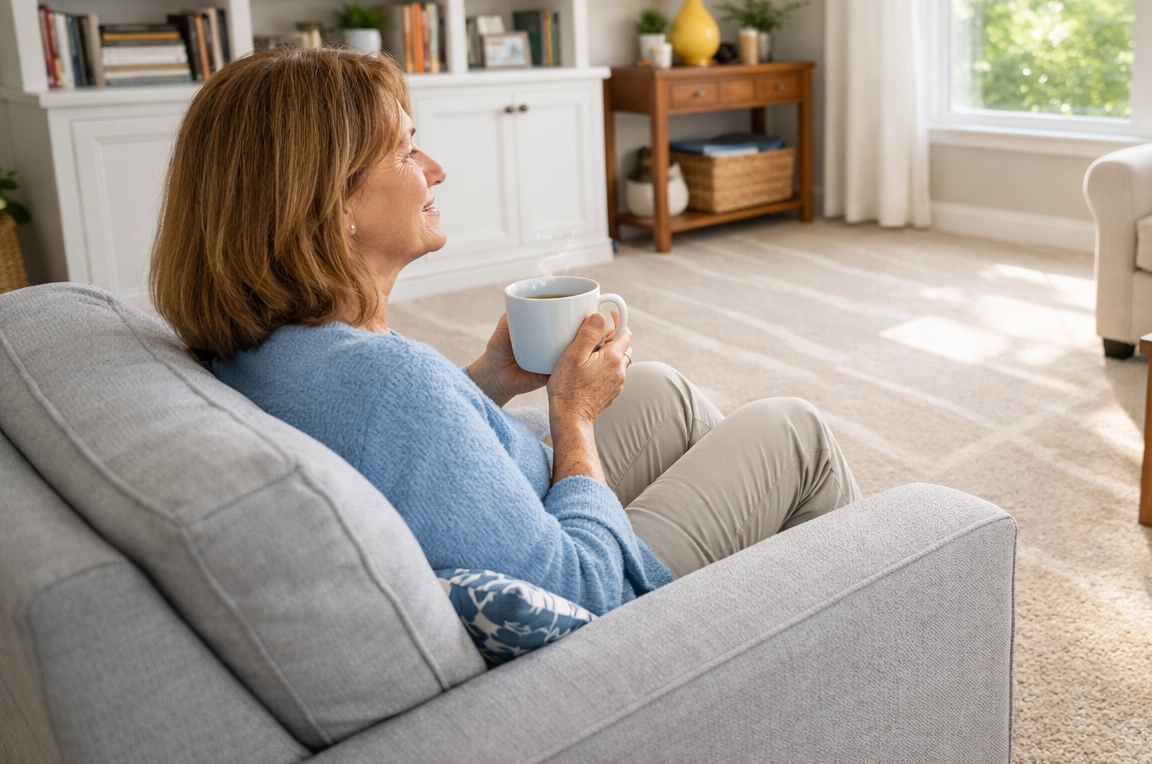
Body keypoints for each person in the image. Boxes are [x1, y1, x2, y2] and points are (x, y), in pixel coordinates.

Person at [149, 48, 860, 615]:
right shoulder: (391, 384)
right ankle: (852, 606)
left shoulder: (270, 350)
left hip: (522, 504)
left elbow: (397, 442)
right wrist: (573, 418)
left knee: (659, 389)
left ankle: (756, 597)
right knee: (792, 430)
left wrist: (489, 377)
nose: (436, 170)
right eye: (405, 154)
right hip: (604, 595)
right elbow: (582, 592)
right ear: (331, 207)